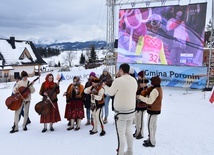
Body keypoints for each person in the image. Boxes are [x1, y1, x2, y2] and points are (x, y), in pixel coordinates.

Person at [103, 63, 138, 155]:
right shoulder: (134, 80)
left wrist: (105, 86)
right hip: (131, 110)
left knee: (121, 134)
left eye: (119, 70)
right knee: (128, 131)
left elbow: (110, 92)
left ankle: (120, 153)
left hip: (121, 112)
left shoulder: (118, 81)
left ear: (121, 70)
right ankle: (130, 150)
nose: (118, 71)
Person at [137, 76, 163, 147]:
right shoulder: (158, 88)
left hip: (153, 109)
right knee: (153, 126)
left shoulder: (155, 90)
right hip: (155, 109)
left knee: (150, 125)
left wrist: (140, 97)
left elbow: (150, 101)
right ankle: (151, 139)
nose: (151, 83)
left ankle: (152, 142)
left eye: (152, 82)